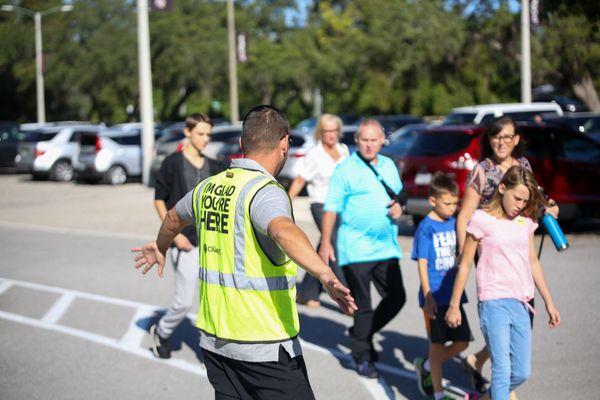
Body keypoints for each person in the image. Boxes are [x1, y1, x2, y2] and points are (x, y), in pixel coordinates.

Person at [132, 105, 356, 400]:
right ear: (285, 142)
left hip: (216, 344)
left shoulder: (209, 187)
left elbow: (173, 217)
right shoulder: (264, 191)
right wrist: (326, 275)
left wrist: (160, 246)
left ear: (242, 143)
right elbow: (283, 230)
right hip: (263, 344)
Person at [456, 115, 559, 394]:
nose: (501, 143)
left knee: (514, 329)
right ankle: (502, 388)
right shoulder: (483, 170)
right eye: (495, 137)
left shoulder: (523, 166)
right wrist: (463, 254)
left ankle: (478, 362)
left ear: (515, 140)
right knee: (503, 350)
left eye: (506, 137)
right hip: (489, 251)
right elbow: (465, 215)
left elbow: (535, 200)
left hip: (518, 252)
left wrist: (550, 207)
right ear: (489, 140)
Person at [319, 119, 406, 379]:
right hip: (355, 248)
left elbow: (398, 198)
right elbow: (331, 207)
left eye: (374, 140)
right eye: (364, 140)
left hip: (386, 246)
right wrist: (325, 242)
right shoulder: (345, 169)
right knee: (364, 306)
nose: (369, 145)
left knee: (397, 297)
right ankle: (361, 356)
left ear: (382, 141)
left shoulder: (389, 165)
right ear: (356, 141)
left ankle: (362, 334)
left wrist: (400, 208)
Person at [149, 112, 226, 359]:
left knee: (212, 300)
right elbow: (159, 200)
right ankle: (161, 331)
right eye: (201, 133)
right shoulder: (172, 163)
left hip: (211, 244)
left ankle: (211, 352)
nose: (205, 139)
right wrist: (173, 235)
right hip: (184, 243)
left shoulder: (215, 166)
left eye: (208, 135)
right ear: (187, 132)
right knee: (183, 303)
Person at [412, 173, 473, 400]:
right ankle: (438, 393)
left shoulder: (454, 222)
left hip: (453, 295)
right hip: (434, 297)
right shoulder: (426, 227)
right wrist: (428, 294)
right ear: (432, 201)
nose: (452, 208)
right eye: (447, 203)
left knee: (462, 341)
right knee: (437, 346)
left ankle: (427, 365)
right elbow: (422, 262)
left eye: (455, 203)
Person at [288, 113, 349, 308]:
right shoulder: (314, 154)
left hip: (342, 206)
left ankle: (308, 291)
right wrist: (286, 204)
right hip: (320, 205)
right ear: (320, 133)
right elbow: (300, 180)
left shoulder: (344, 150)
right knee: (333, 244)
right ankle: (347, 297)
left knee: (324, 246)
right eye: (326, 131)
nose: (331, 135)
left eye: (334, 130)